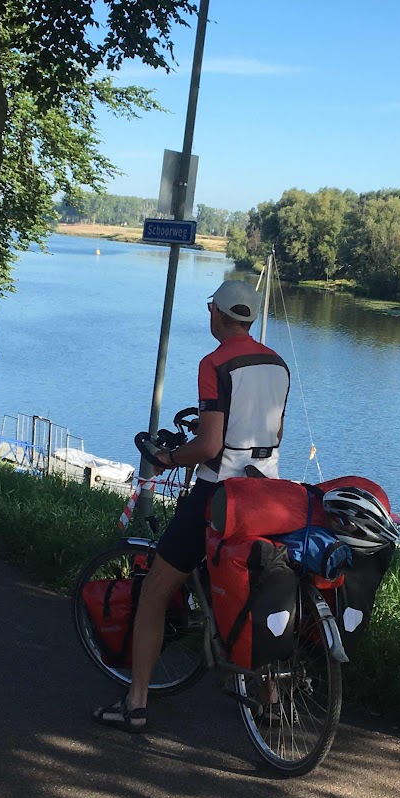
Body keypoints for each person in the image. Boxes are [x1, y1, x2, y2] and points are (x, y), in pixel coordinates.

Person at [93, 278, 290, 733]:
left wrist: (168, 458)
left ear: (217, 314)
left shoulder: (214, 363)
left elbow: (210, 446)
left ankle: (135, 704)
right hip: (266, 494)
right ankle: (271, 700)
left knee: (155, 591)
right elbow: (273, 432)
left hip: (218, 495)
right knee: (256, 591)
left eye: (210, 310)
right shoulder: (277, 364)